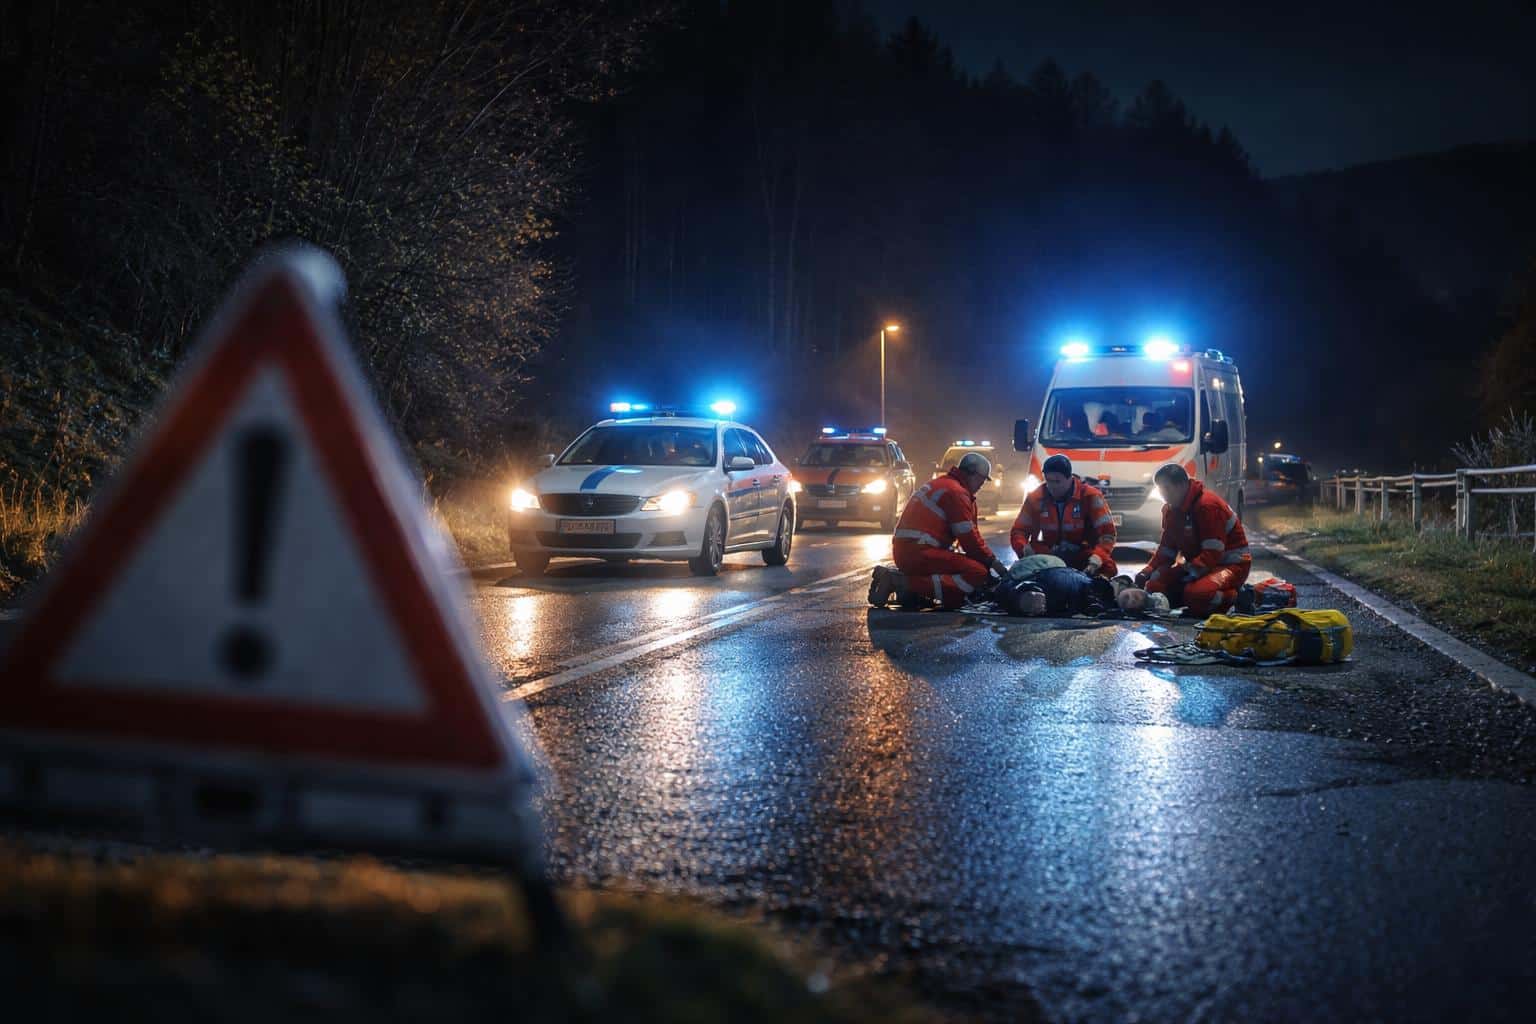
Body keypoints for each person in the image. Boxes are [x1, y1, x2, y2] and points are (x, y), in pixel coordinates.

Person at [869, 451, 1007, 609]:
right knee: (976, 572)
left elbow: (970, 538)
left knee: (971, 567)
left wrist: (985, 560)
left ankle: (910, 586)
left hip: (912, 550)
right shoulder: (956, 493)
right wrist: (992, 563)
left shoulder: (945, 485)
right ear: (970, 473)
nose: (982, 485)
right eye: (981, 480)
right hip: (918, 552)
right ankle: (902, 582)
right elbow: (969, 540)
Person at [1135, 463, 1252, 615]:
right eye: (1160, 489)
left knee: (1198, 594)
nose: (1163, 494)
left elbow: (1213, 553)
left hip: (1232, 565)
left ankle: (1237, 598)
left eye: (1166, 488)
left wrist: (1190, 575)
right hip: (1199, 566)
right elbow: (1166, 550)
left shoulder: (1207, 506)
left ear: (1182, 485)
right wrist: (1147, 572)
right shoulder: (1171, 510)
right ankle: (1191, 599)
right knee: (1154, 585)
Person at [1010, 454, 1118, 577]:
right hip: (1049, 555)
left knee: (1108, 567)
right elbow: (1019, 531)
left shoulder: (1090, 496)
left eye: (1057, 481)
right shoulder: (1036, 497)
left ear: (1070, 478)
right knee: (1022, 569)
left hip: (1082, 553)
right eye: (1048, 481)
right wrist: (1024, 549)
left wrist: (1097, 558)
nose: (1052, 486)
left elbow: (1107, 534)